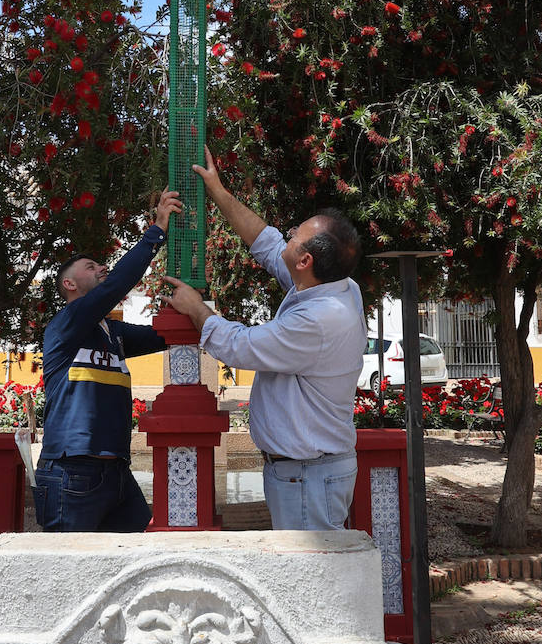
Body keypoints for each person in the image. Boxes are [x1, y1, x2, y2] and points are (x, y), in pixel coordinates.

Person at [163, 149, 365, 531]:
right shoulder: (334, 285)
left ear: (305, 262)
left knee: (306, 581)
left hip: (309, 475)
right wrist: (218, 191)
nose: (287, 235)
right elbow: (267, 243)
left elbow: (241, 346)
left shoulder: (320, 320)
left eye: (296, 236)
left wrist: (196, 308)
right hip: (305, 471)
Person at [35, 188, 182, 532]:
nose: (101, 267)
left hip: (116, 472)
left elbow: (164, 336)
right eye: (91, 266)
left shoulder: (112, 332)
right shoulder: (67, 323)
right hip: (71, 471)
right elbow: (114, 286)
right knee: (70, 573)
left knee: (141, 558)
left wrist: (194, 308)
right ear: (69, 284)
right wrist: (157, 230)